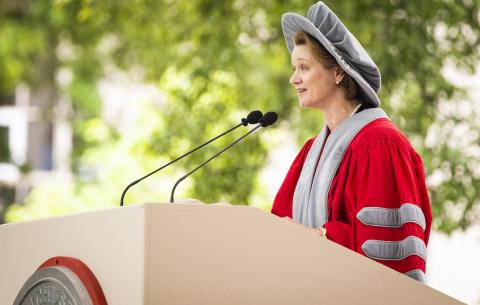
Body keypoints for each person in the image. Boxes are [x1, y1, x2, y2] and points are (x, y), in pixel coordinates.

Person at [271, 1, 432, 283]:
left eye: (303, 68)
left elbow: (387, 250)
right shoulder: (312, 152)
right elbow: (278, 225)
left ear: (338, 72)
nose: (293, 78)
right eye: (294, 68)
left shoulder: (381, 143)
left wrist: (320, 236)